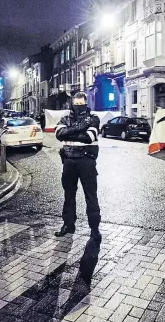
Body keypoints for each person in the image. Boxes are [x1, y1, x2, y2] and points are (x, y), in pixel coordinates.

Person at [54, 92, 102, 243]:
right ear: (72, 103)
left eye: (81, 104)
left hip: (86, 161)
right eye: (76, 104)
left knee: (91, 196)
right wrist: (80, 127)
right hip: (68, 161)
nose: (78, 107)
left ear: (86, 104)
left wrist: (69, 132)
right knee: (68, 196)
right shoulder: (65, 117)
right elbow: (58, 134)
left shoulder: (93, 117)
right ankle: (68, 225)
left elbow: (89, 137)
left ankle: (95, 230)